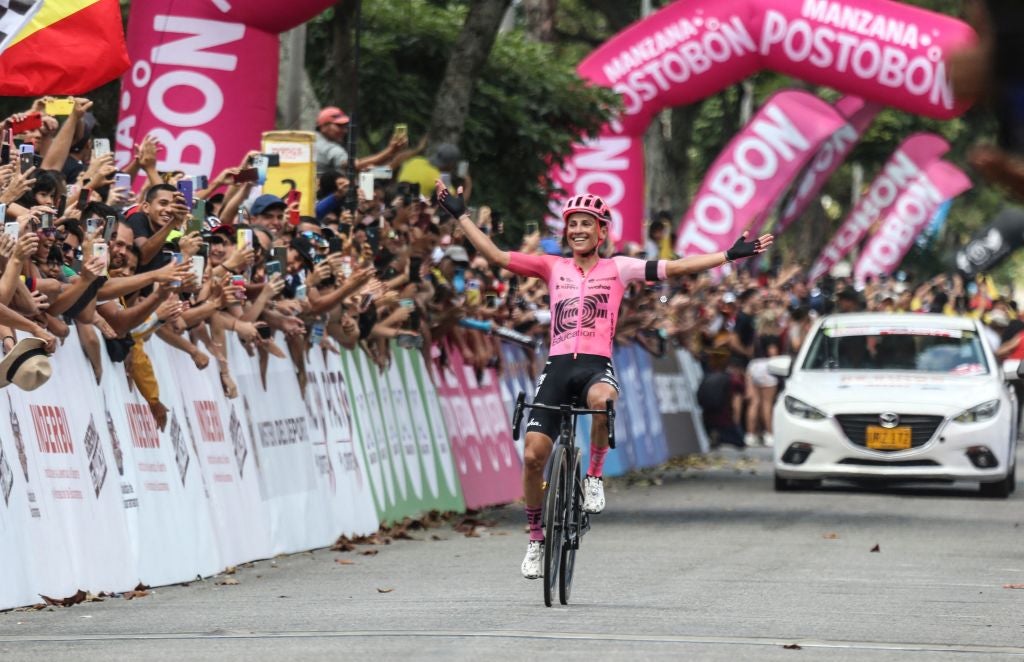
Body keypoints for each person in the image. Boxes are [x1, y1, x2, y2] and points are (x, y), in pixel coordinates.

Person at [435, 181, 773, 580]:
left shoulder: (620, 268)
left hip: (596, 364)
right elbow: (492, 254)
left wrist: (728, 256)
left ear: (601, 232)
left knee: (602, 401)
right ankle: (535, 539)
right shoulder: (551, 267)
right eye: (572, 223)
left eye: (586, 223)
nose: (578, 230)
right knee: (531, 457)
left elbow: (676, 268)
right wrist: (460, 215)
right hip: (558, 367)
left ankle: (593, 478)